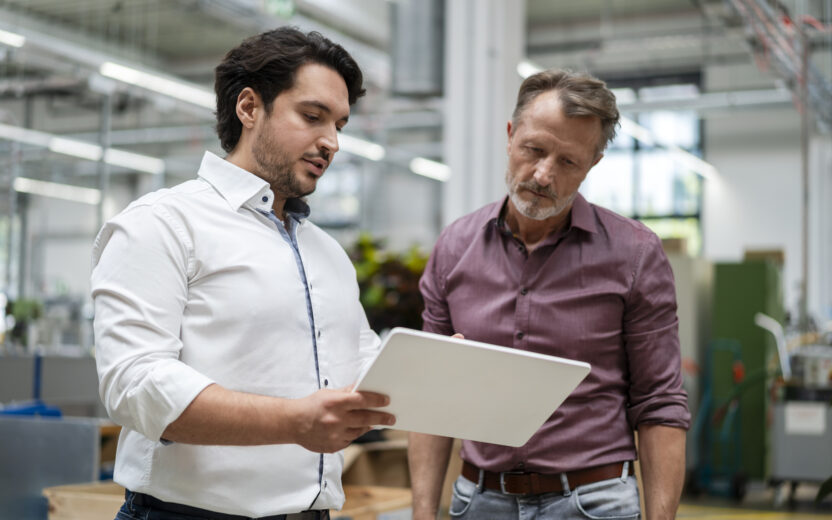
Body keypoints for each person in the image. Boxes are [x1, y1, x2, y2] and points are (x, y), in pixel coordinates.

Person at [91, 27, 395, 520]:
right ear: (250, 108)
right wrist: (293, 421)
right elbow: (135, 385)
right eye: (312, 117)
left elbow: (361, 367)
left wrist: (431, 370)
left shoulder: (328, 253)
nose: (332, 142)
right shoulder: (164, 223)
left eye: (340, 124)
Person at [408, 69, 690, 520]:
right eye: (533, 150)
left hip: (592, 502)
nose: (543, 175)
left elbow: (659, 403)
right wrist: (423, 513)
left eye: (568, 162)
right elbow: (431, 395)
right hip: (479, 500)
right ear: (510, 135)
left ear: (593, 164)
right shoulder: (455, 247)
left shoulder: (634, 254)